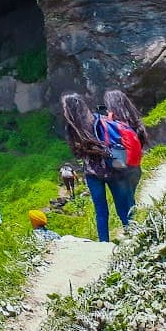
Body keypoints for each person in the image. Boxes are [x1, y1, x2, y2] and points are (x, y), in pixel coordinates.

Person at [61, 93, 132, 242]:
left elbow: (77, 153)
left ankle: (103, 243)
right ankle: (132, 233)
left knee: (101, 211)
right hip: (112, 168)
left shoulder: (72, 129)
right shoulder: (97, 119)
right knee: (122, 205)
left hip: (92, 175)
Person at [104, 88, 148, 218]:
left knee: (122, 204)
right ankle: (135, 224)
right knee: (130, 199)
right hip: (136, 167)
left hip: (121, 166)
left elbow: (108, 141)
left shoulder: (112, 123)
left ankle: (130, 227)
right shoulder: (134, 121)